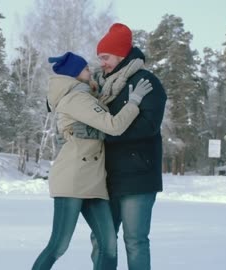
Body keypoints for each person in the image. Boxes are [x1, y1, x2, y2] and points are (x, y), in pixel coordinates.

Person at [32, 51, 153, 270]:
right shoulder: (77, 98)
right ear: (75, 73)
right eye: (86, 68)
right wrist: (134, 102)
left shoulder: (84, 95)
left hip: (94, 182)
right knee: (58, 245)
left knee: (108, 245)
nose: (91, 70)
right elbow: (114, 126)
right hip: (72, 180)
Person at [71, 23, 167, 270]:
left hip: (138, 176)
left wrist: (104, 134)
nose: (101, 63)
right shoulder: (101, 85)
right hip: (105, 176)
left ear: (121, 54)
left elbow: (148, 126)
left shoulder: (147, 82)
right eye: (99, 58)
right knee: (102, 239)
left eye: (106, 57)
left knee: (134, 240)